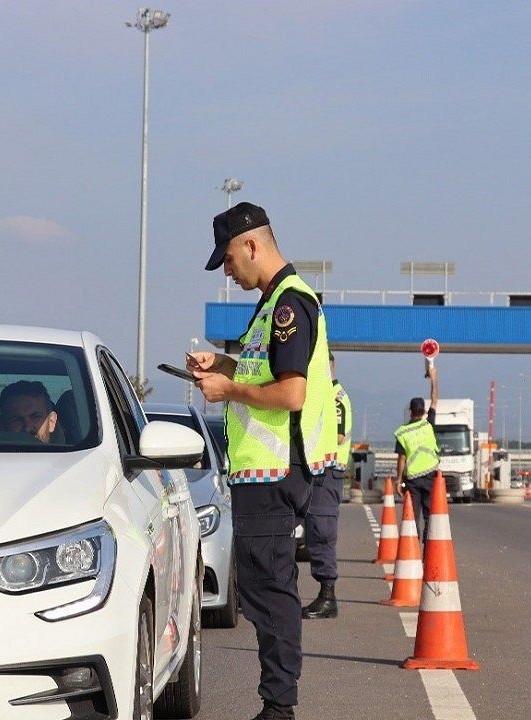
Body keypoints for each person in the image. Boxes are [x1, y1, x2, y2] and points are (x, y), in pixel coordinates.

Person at [187, 202, 336, 720]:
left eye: (228, 258)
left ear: (252, 244)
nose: (228, 271)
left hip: (276, 472)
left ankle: (279, 708)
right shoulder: (272, 304)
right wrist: (222, 365)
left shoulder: (290, 305)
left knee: (269, 591)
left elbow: (291, 393)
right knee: (262, 587)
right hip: (264, 474)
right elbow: (264, 371)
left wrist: (227, 388)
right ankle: (278, 704)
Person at [302, 351, 350, 620]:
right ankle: (324, 594)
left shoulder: (334, 398)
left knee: (321, 531)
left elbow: (338, 434)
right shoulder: (326, 395)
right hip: (320, 469)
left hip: (328, 469)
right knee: (315, 530)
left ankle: (328, 596)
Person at [395, 363, 440, 540]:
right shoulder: (429, 424)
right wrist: (434, 378)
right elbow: (435, 399)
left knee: (412, 516)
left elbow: (401, 459)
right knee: (430, 516)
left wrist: (398, 480)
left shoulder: (402, 432)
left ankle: (412, 551)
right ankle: (429, 551)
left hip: (412, 480)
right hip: (431, 476)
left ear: (411, 411)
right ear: (423, 411)